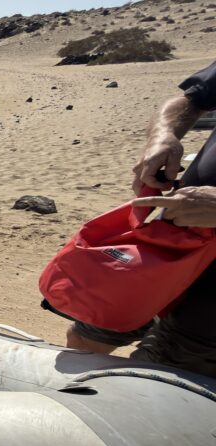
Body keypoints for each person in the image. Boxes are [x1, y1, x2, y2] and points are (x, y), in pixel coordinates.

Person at [64, 60, 216, 376]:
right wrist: (163, 136)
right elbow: (189, 101)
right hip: (163, 247)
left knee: (152, 380)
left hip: (209, 301)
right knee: (85, 338)